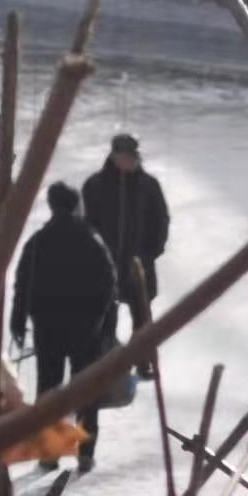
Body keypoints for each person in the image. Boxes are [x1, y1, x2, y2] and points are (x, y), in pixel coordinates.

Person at [11, 182, 118, 473]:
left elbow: (22, 285)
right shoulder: (91, 240)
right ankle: (85, 451)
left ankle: (49, 452)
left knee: (49, 391)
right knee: (86, 390)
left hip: (48, 328)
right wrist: (103, 323)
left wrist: (18, 320)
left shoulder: (37, 241)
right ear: (75, 205)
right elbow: (110, 283)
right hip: (87, 330)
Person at [82, 134, 169, 378]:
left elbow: (161, 220)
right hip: (105, 266)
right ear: (114, 157)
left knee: (142, 318)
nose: (129, 162)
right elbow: (88, 225)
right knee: (104, 318)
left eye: (132, 158)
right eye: (124, 158)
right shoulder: (95, 185)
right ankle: (105, 366)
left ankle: (142, 362)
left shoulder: (149, 186)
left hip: (139, 265)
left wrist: (152, 252)